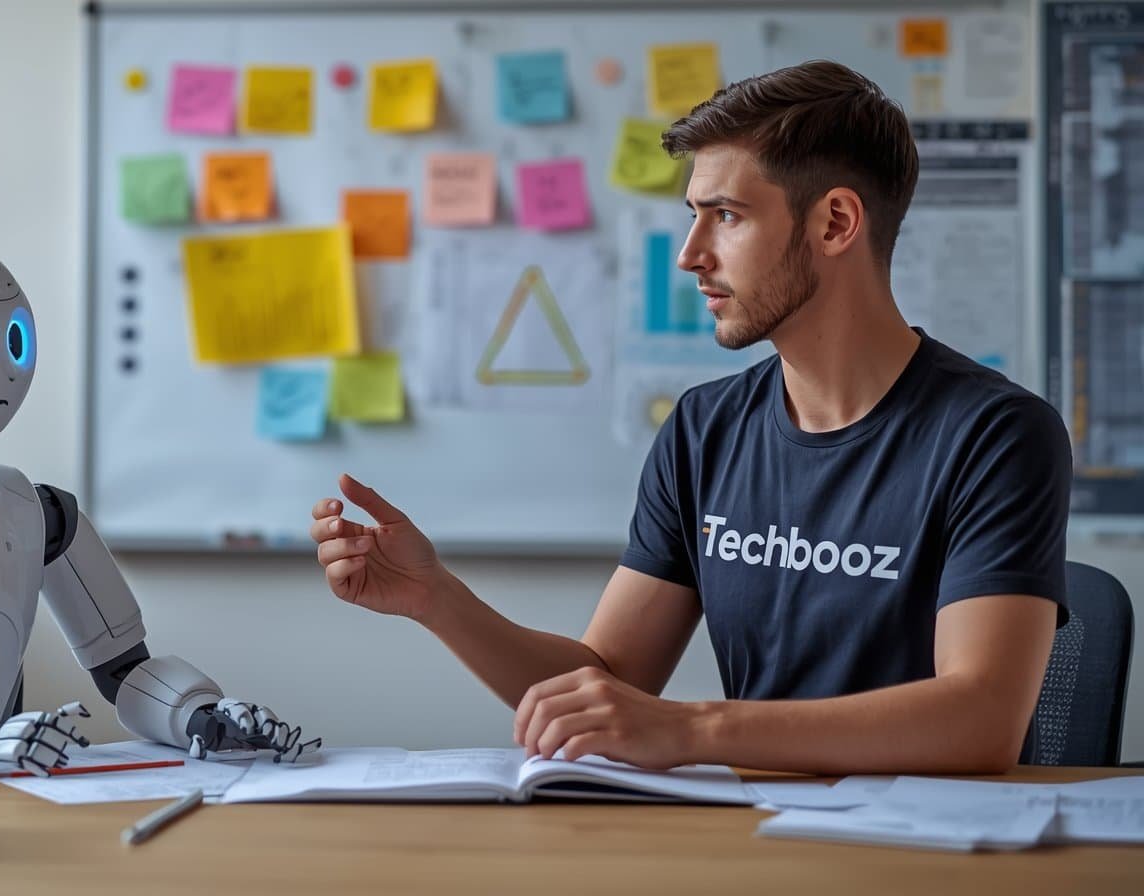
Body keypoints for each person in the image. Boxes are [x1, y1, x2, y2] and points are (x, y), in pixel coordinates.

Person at [309, 60, 1069, 776]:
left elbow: (982, 718)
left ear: (836, 222)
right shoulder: (705, 429)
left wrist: (692, 729)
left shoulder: (995, 435)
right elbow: (606, 679)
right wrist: (436, 599)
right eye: (693, 216)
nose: (690, 254)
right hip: (761, 831)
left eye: (726, 216)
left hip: (939, 854)